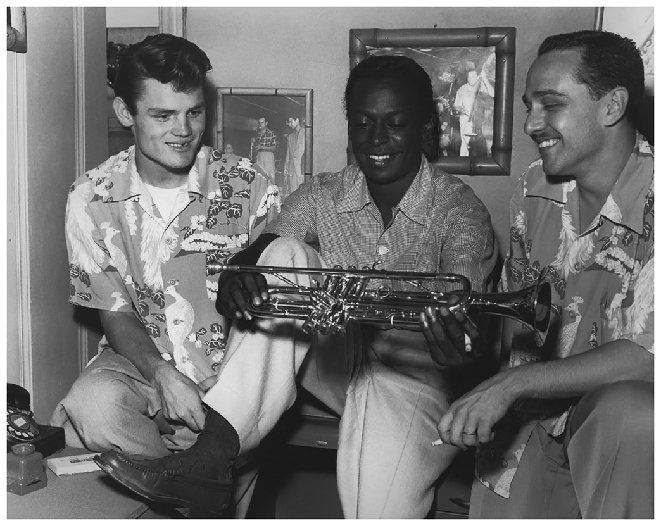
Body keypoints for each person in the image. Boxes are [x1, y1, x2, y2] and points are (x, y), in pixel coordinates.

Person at [95, 54, 497, 518]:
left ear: (426, 126)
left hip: (416, 382)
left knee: (379, 508)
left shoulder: (460, 212)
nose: (377, 139)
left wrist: (464, 347)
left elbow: (471, 339)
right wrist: (237, 273)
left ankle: (206, 465)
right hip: (335, 366)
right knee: (284, 252)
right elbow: (265, 246)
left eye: (395, 123)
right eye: (363, 124)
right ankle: (210, 459)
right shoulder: (322, 192)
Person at [51, 33, 279, 517]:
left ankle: (201, 481)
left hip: (230, 390)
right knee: (90, 404)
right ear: (124, 113)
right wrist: (162, 373)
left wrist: (224, 399)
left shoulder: (249, 187)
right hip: (144, 371)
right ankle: (176, 493)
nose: (184, 131)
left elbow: (276, 327)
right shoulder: (90, 197)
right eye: (162, 115)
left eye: (194, 112)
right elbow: (114, 313)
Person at [436, 30, 653, 519]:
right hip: (537, 414)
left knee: (631, 413)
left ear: (612, 105)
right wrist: (461, 348)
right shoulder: (533, 186)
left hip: (624, 429)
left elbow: (648, 358)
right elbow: (523, 326)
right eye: (528, 104)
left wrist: (511, 386)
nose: (532, 123)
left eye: (550, 104)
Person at [453, 67, 494, 156]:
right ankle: (463, 164)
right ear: (467, 78)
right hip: (466, 119)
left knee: (480, 144)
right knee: (466, 144)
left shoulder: (482, 87)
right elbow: (456, 106)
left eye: (474, 76)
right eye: (470, 77)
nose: (473, 79)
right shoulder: (462, 89)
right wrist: (464, 111)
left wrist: (485, 79)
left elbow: (493, 94)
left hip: (480, 120)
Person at [282, 116, 306, 197]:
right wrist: (286, 167)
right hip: (292, 170)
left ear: (297, 120)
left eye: (291, 122)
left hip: (302, 169)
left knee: (303, 194)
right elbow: (288, 154)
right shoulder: (290, 137)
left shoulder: (306, 133)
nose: (289, 124)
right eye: (289, 122)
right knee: (293, 194)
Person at [250, 116, 278, 181]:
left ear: (266, 123)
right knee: (259, 177)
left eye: (262, 123)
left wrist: (262, 147)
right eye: (259, 123)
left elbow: (274, 148)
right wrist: (253, 142)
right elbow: (255, 148)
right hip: (259, 156)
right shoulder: (257, 134)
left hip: (268, 157)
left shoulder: (272, 133)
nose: (260, 124)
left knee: (269, 177)